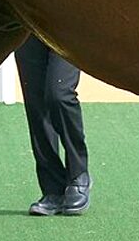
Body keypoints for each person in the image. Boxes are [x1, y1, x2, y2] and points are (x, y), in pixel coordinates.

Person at [14, 36, 92, 216]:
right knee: (36, 104)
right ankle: (52, 189)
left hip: (64, 23)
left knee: (59, 94)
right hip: (27, 24)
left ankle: (78, 174)